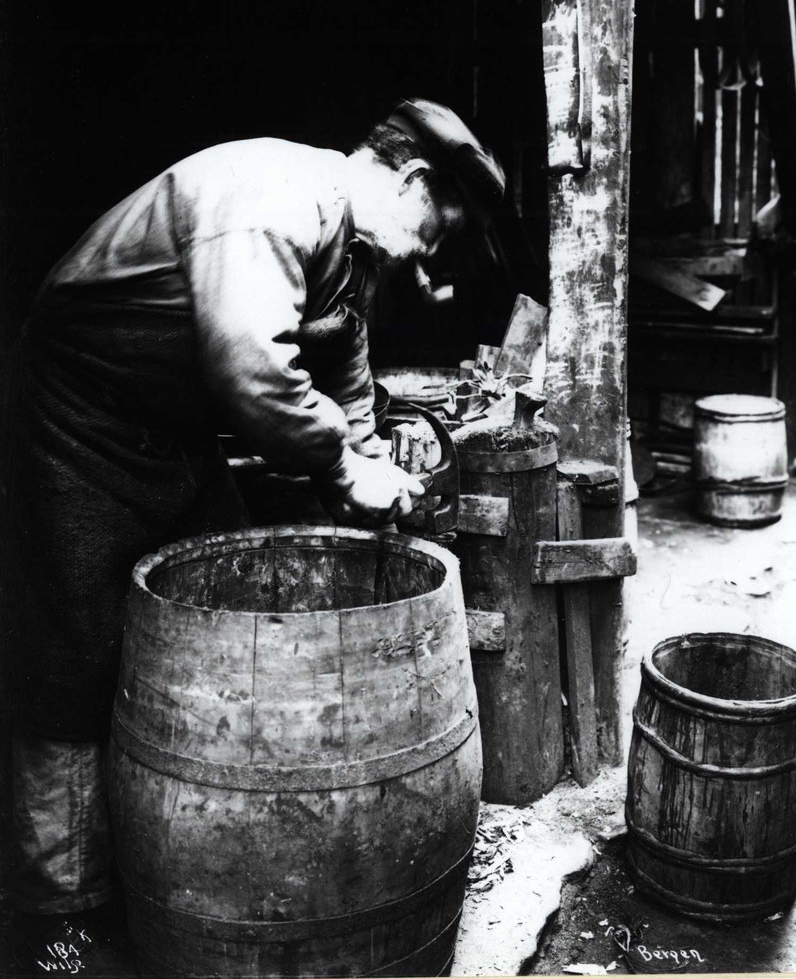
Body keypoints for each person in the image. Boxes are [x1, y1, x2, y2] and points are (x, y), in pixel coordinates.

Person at [1, 97, 504, 967]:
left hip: (171, 430)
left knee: (206, 629)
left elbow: (344, 375)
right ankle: (59, 910)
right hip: (78, 414)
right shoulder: (276, 194)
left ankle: (170, 857)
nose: (431, 259)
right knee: (71, 650)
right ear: (413, 181)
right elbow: (251, 366)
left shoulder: (352, 254)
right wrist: (342, 469)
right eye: (437, 231)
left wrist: (372, 466)